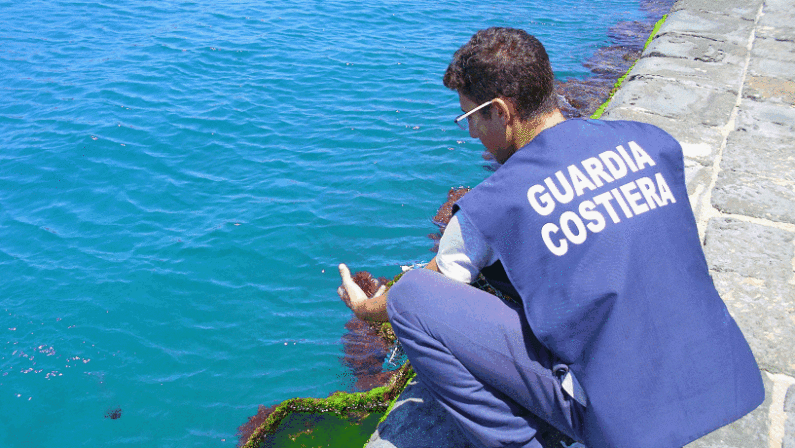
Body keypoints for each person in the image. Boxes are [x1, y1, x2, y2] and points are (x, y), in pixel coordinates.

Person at [337, 27, 764, 448]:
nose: (469, 134)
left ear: (500, 111)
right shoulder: (653, 142)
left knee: (413, 295)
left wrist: (364, 307)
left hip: (621, 419)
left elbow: (427, 291)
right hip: (724, 378)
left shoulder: (492, 205)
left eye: (470, 117)